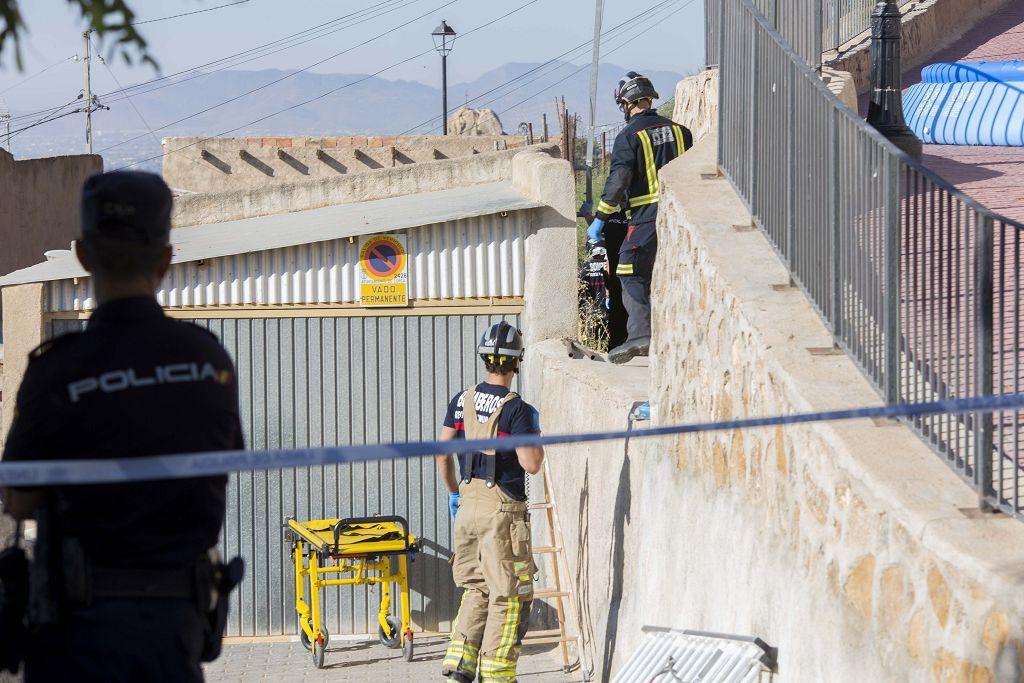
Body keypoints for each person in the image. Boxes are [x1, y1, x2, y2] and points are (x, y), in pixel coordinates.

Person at [0, 170, 245, 682]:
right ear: (165, 259)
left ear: (83, 254)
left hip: (76, 633)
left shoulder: (58, 368)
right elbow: (222, 467)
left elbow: (17, 501)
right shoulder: (207, 359)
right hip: (173, 631)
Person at [435, 321, 544, 683]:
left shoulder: (461, 400)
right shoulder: (517, 410)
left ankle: (459, 667)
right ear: (518, 362)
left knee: (477, 587)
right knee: (510, 595)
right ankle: (497, 676)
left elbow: (442, 453)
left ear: (485, 359)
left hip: (467, 508)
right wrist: (534, 436)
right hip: (503, 514)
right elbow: (532, 464)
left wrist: (454, 492)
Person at [587, 72, 693, 364]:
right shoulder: (682, 132)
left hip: (646, 218)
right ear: (649, 98)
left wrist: (599, 219)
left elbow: (618, 182)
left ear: (626, 103)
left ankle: (639, 336)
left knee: (629, 271)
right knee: (667, 274)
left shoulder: (628, 137)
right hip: (681, 216)